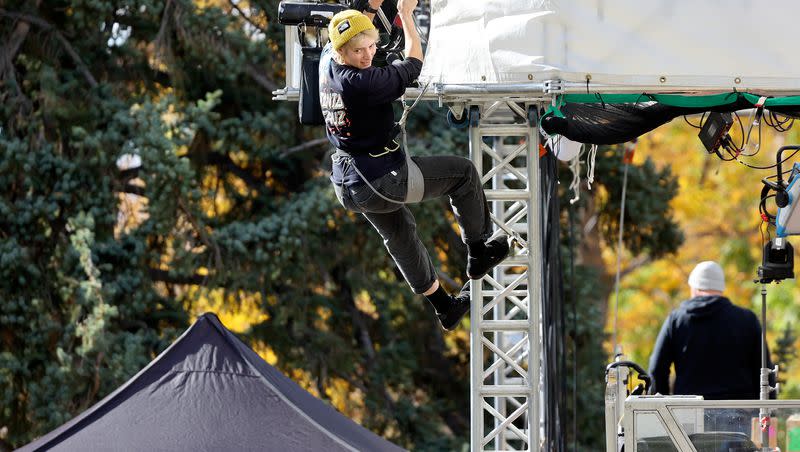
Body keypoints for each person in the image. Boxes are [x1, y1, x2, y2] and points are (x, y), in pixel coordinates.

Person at [318, 1, 509, 331]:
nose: (367, 56)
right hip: (381, 179)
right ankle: (479, 251)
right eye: (359, 52)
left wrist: (371, 10)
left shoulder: (326, 63)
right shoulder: (363, 83)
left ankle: (444, 307)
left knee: (400, 234)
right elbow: (414, 63)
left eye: (371, 47)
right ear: (343, 52)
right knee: (463, 174)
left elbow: (352, 28)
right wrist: (406, 15)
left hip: (350, 184)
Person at [648, 261, 772, 432]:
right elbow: (765, 370)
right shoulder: (747, 319)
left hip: (688, 417)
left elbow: (656, 369)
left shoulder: (676, 320)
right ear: (721, 289)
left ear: (694, 288)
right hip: (739, 419)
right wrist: (769, 417)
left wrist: (663, 409)